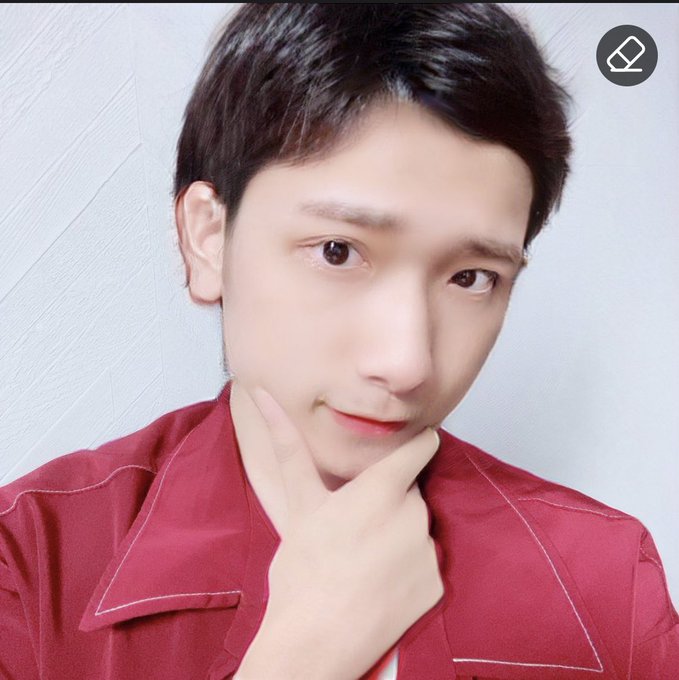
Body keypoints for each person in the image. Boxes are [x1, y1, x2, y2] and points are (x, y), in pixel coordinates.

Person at [1, 4, 677, 679]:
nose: (406, 363)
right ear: (208, 238)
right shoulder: (27, 564)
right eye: (337, 251)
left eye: (471, 277)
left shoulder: (603, 583)